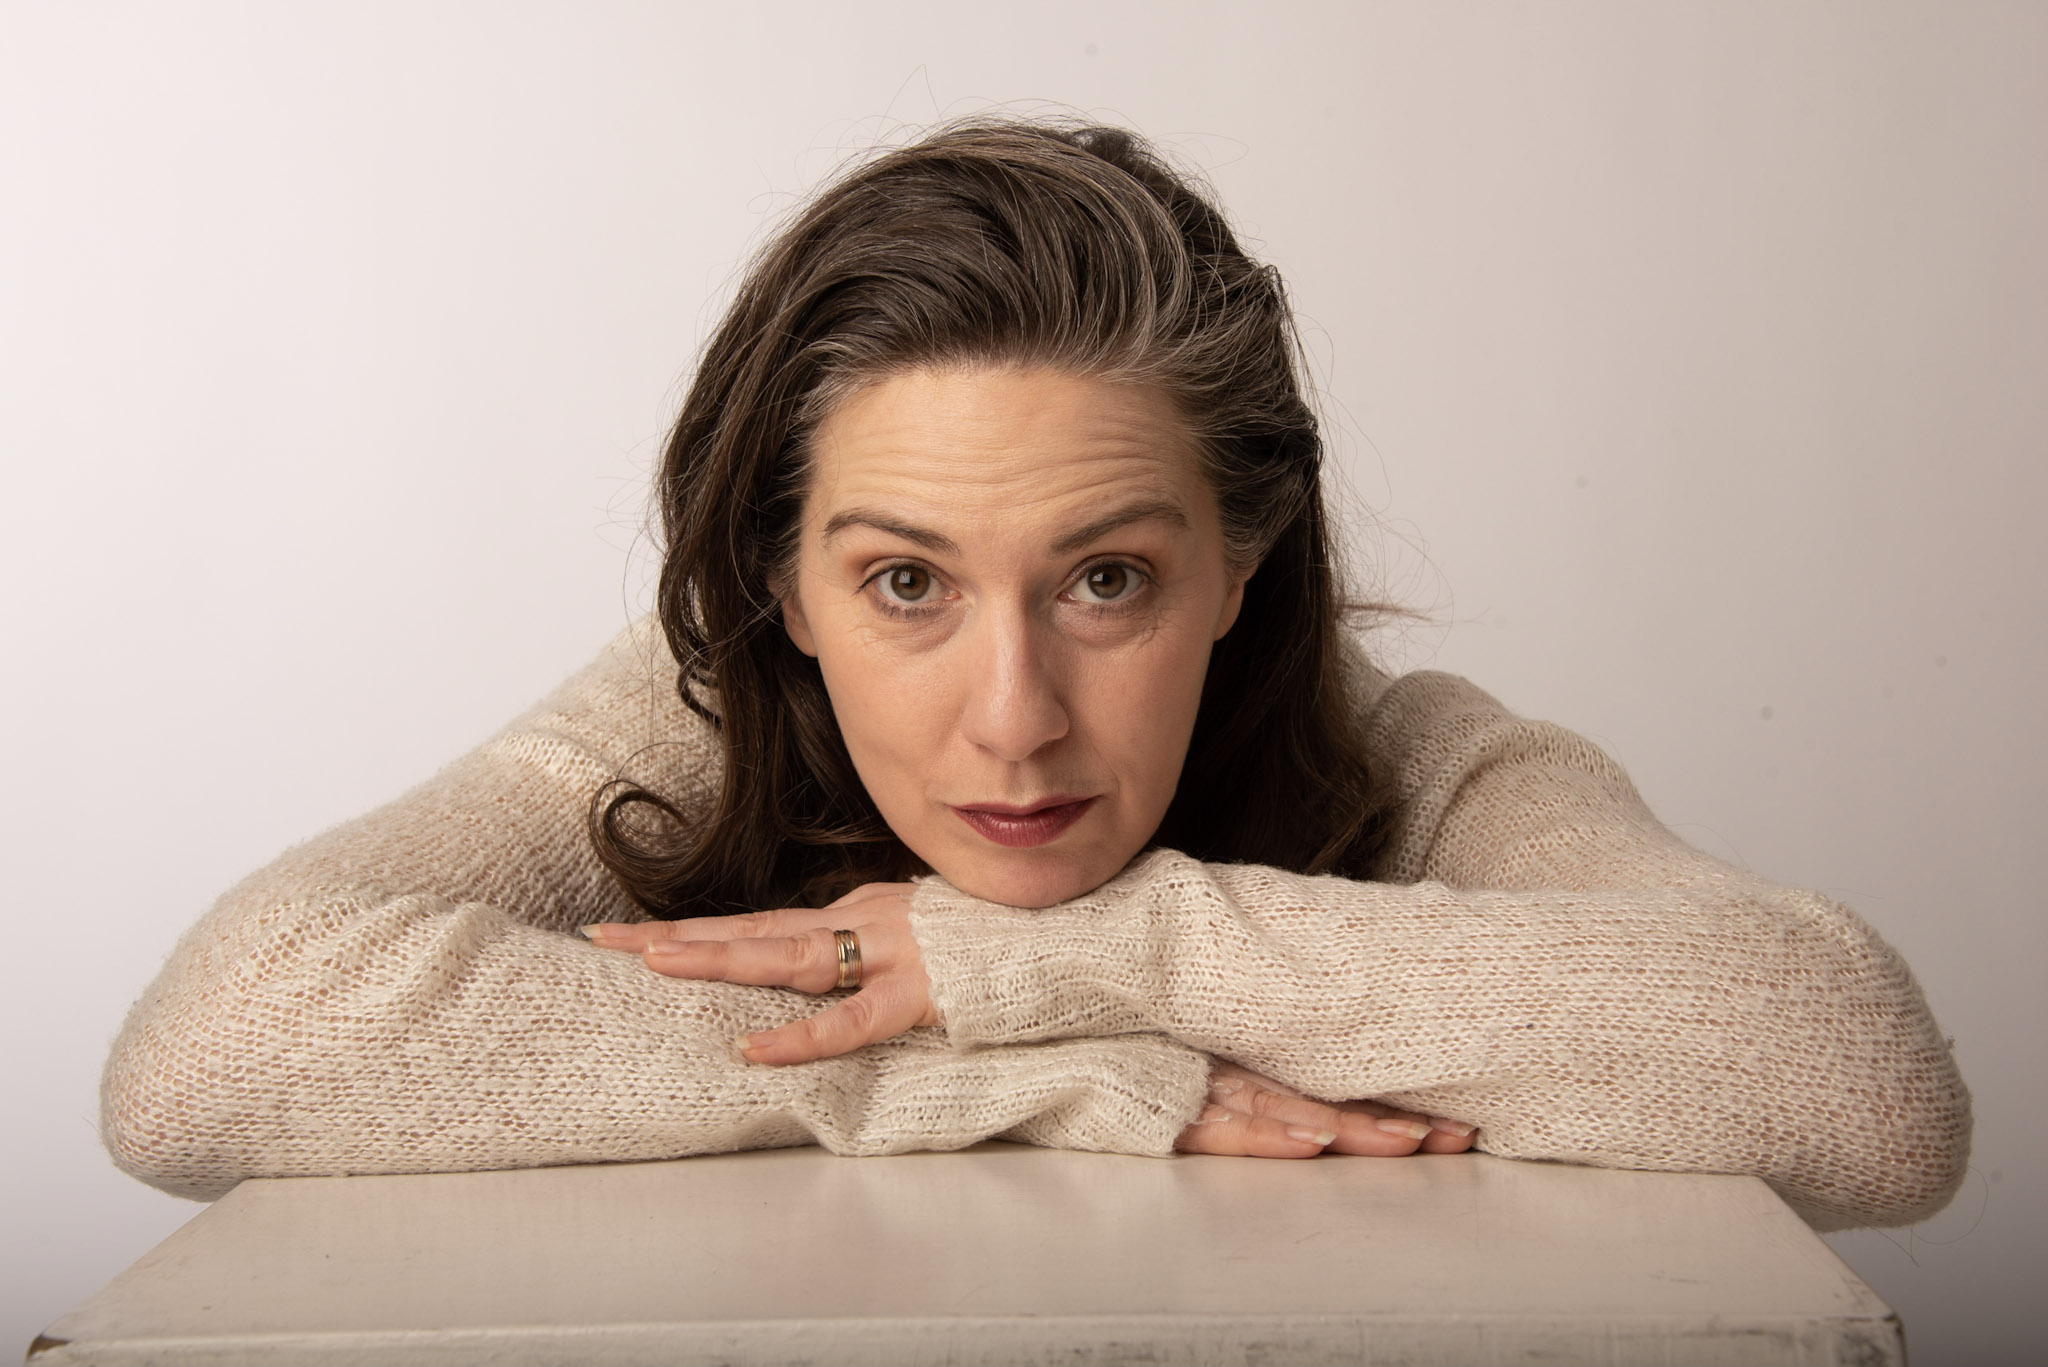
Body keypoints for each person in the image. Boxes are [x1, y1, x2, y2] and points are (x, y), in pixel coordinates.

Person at [100, 120, 1969, 1231]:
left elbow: (1861, 1087)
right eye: (904, 579)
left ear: (1242, 564)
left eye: (1106, 579)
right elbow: (206, 1066)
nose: (1014, 715)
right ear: (784, 583)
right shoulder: (676, 731)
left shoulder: (1420, 765)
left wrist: (1101, 948)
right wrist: (1058, 1070)